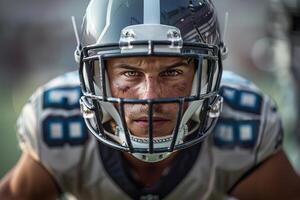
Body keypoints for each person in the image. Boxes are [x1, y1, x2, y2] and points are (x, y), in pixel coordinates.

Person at [0, 0, 299, 199]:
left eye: (172, 72)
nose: (150, 96)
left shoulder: (244, 126)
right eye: (130, 73)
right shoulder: (58, 122)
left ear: (204, 75)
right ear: (97, 76)